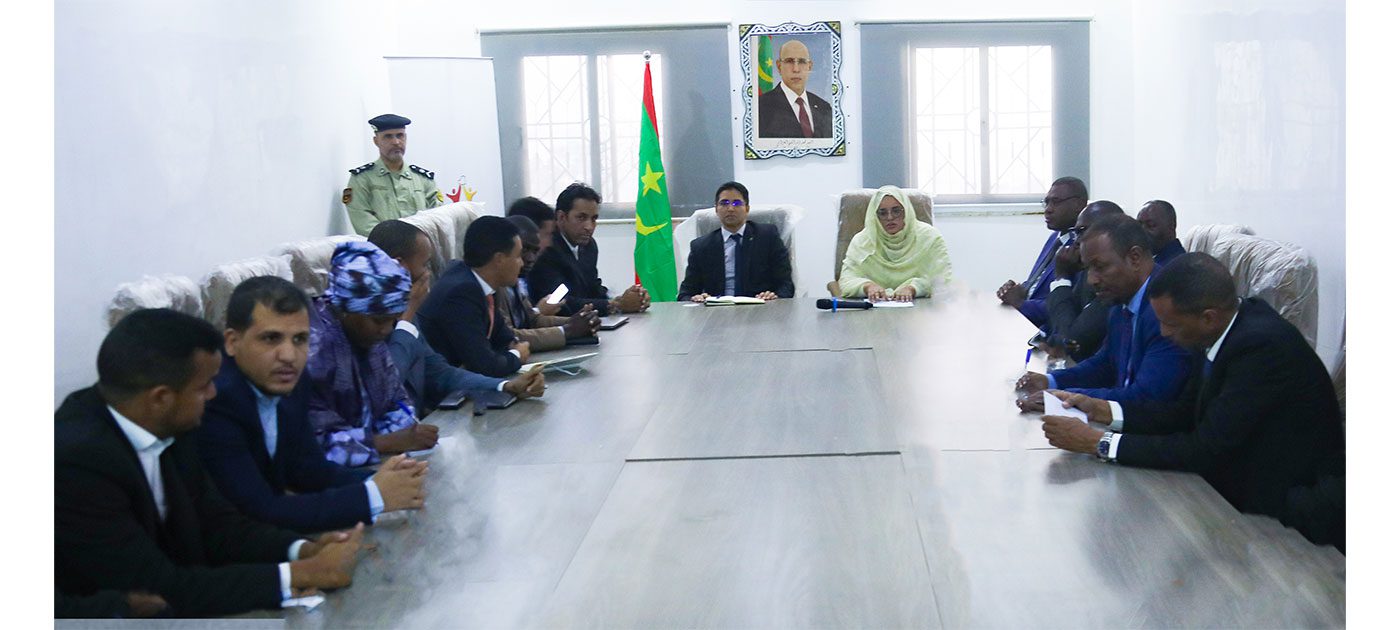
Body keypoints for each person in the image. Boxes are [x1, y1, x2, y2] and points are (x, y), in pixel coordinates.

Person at [56, 309, 364, 617]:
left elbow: (218, 525)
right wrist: (303, 574)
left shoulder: (168, 421)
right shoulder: (76, 463)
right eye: (204, 386)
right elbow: (155, 589)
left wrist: (303, 550)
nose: (213, 393)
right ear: (161, 398)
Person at [1042, 253, 1346, 549]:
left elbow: (1205, 448)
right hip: (1232, 480)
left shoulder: (1260, 348)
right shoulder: (1220, 329)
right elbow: (1183, 413)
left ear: (1208, 317)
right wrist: (1103, 410)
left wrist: (1100, 443)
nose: (1164, 332)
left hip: (1287, 509)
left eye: (1171, 324)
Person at [196, 276, 429, 534]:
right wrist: (373, 495)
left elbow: (308, 470)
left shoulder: (292, 381)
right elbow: (258, 510)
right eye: (271, 338)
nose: (289, 355)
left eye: (300, 339)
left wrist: (391, 479)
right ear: (232, 342)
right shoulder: (213, 401)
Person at [1015, 214, 1193, 408]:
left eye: (1100, 267)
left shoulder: (1166, 309)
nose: (1091, 280)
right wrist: (1051, 381)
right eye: (1088, 269)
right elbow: (1105, 364)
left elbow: (1147, 397)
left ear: (1134, 258)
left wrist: (1065, 397)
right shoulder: (1121, 298)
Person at [367, 219, 547, 409]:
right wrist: (407, 316)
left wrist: (506, 386)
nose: (428, 274)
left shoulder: (408, 314)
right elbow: (386, 385)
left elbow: (441, 372)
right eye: (425, 264)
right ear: (399, 267)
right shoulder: (366, 320)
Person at [307, 242, 438, 466]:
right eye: (379, 321)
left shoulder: (368, 337)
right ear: (346, 308)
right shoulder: (313, 347)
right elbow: (311, 445)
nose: (386, 330)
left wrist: (410, 433)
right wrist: (384, 442)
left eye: (393, 320)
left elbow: (396, 400)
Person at [419, 216, 532, 377]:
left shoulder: (482, 283)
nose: (522, 263)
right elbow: (484, 366)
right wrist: (517, 355)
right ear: (499, 259)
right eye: (518, 256)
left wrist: (511, 349)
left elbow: (504, 338)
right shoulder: (460, 292)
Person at [527, 183, 649, 315]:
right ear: (561, 217)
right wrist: (615, 305)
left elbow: (593, 289)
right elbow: (558, 302)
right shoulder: (546, 249)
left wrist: (625, 299)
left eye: (594, 219)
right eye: (581, 218)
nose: (589, 227)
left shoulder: (589, 246)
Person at [677, 181, 795, 302]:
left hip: (759, 307)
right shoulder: (701, 246)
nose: (730, 208)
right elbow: (685, 293)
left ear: (747, 209)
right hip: (717, 309)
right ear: (716, 209)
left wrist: (774, 298)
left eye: (737, 203)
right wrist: (695, 299)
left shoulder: (768, 236)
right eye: (724, 203)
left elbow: (786, 285)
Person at [836, 185, 952, 302]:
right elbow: (846, 281)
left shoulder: (930, 237)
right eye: (882, 213)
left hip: (920, 307)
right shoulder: (862, 241)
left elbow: (943, 279)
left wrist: (913, 288)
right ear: (875, 216)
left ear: (906, 211)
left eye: (896, 211)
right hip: (873, 307)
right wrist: (867, 286)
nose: (890, 217)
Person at [1040, 200, 1125, 361]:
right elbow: (1060, 326)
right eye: (1075, 233)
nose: (1077, 240)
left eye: (1082, 231)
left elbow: (1071, 340)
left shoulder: (1115, 281)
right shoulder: (1085, 270)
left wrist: (1062, 277)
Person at [998, 176, 1087, 327]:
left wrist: (1020, 304)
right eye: (1046, 202)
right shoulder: (1055, 238)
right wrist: (1018, 290)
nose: (1048, 209)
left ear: (1079, 204)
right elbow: (1039, 284)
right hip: (1026, 321)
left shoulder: (1081, 248)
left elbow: (1068, 306)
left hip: (1048, 332)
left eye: (1056, 202)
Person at [502, 215, 601, 350]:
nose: (531, 258)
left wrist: (578, 321)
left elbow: (533, 319)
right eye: (524, 251)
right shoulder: (496, 286)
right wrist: (567, 331)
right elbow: (508, 337)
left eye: (536, 251)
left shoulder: (515, 280)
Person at [343, 113, 444, 236]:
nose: (396, 142)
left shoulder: (423, 179)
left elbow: (437, 216)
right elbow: (362, 219)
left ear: (406, 138)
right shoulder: (361, 179)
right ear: (376, 141)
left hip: (423, 245)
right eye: (388, 137)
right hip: (382, 246)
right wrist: (395, 242)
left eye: (400, 135)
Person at [757, 40, 833, 138]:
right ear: (779, 66)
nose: (796, 69)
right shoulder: (761, 107)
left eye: (802, 62)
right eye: (789, 61)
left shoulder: (824, 108)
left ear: (809, 67)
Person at [1137, 199, 1186, 267]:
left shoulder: (1176, 265)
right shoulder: (1149, 259)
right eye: (1139, 226)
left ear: (1171, 226)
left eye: (1151, 225)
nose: (1142, 232)